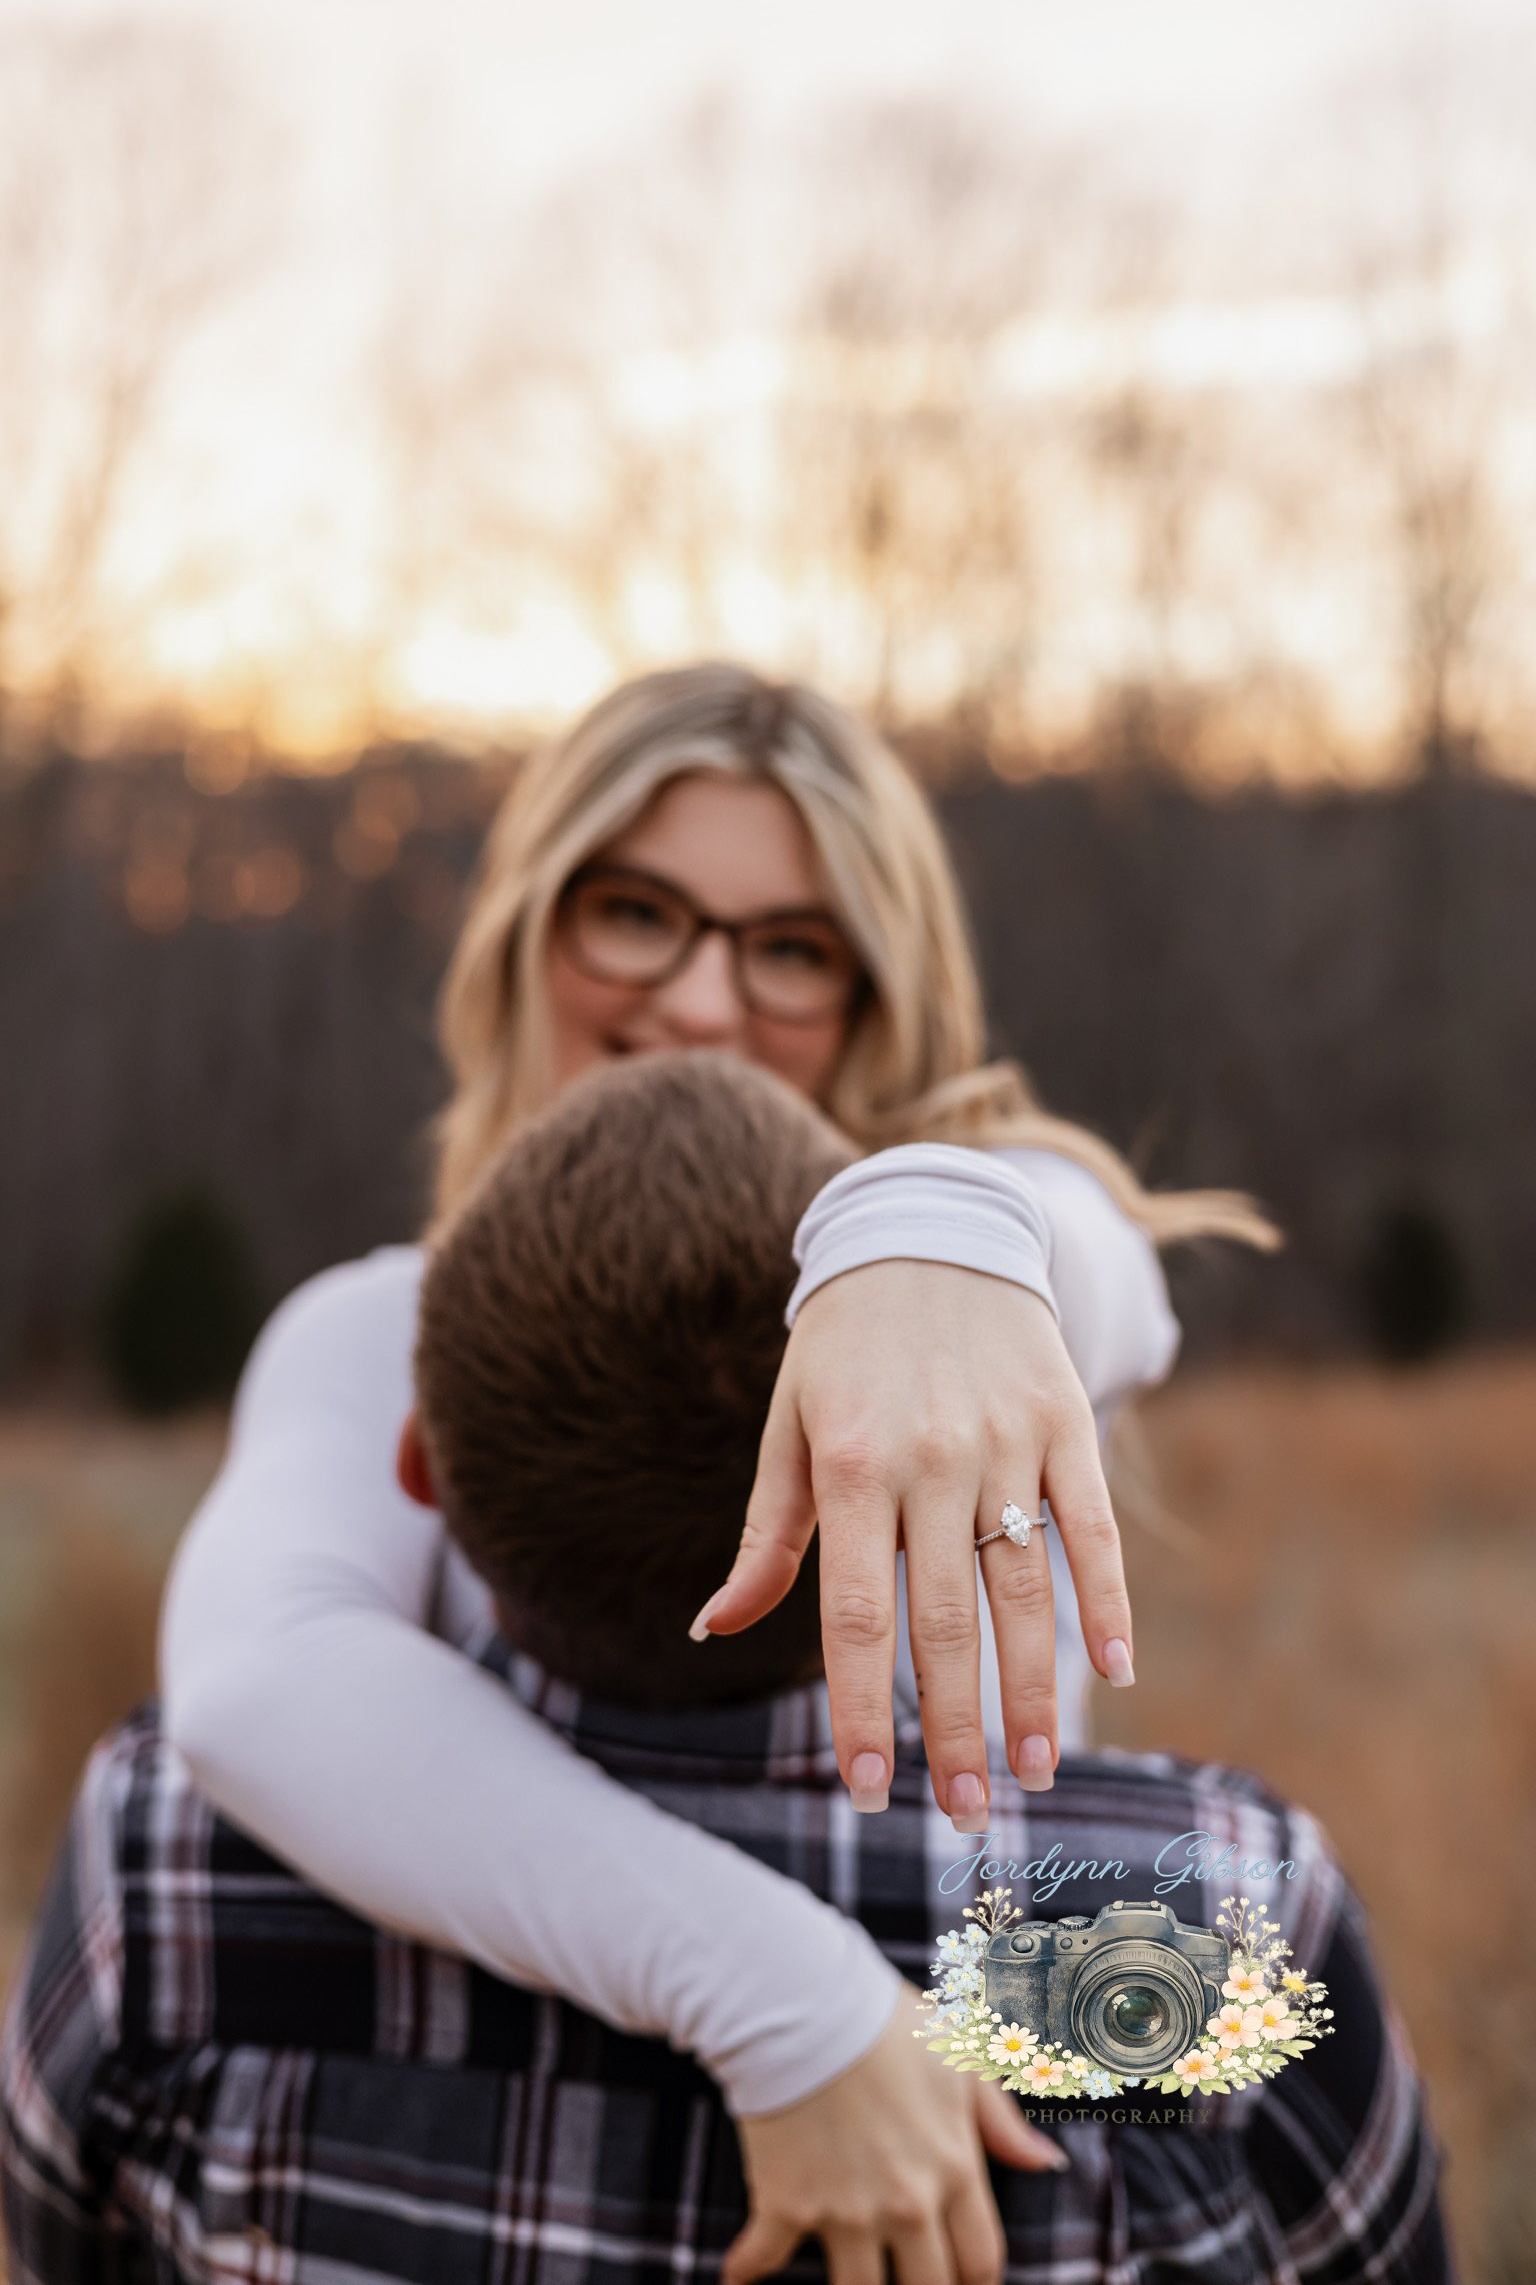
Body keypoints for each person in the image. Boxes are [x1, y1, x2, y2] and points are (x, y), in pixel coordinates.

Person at [156, 662, 1279, 2268]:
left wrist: (937, 1229)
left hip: (973, 2181)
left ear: (875, 1000)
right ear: (527, 933)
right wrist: (789, 2003)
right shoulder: (375, 1331)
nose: (697, 1000)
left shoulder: (976, 1296)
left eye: (790, 949)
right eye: (635, 912)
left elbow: (1108, 1270)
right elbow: (259, 1684)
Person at [1, 1055, 1451, 2285]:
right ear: (888, 1490)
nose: (702, 1001)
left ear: (419, 1468)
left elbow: (62, 2229)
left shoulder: (176, 1874)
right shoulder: (1217, 1925)